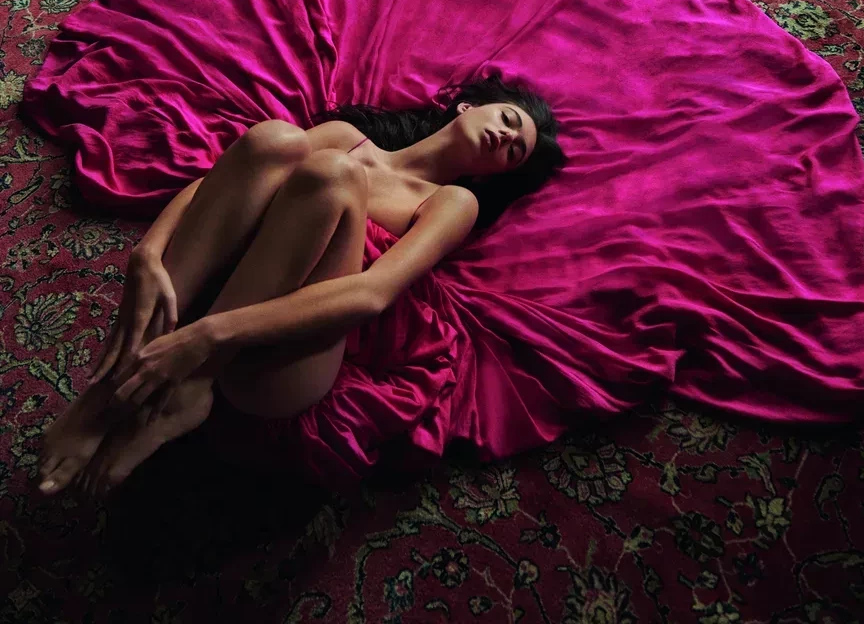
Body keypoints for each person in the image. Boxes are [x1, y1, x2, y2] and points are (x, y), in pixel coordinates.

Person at [36, 73, 566, 498]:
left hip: (291, 354)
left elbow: (372, 294)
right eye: (508, 120)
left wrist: (210, 336)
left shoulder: (452, 202)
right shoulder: (348, 137)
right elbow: (215, 185)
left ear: (492, 175)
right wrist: (148, 253)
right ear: (468, 106)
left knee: (334, 175)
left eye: (514, 151)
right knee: (276, 138)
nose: (506, 137)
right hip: (225, 283)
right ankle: (113, 379)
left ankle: (194, 380)